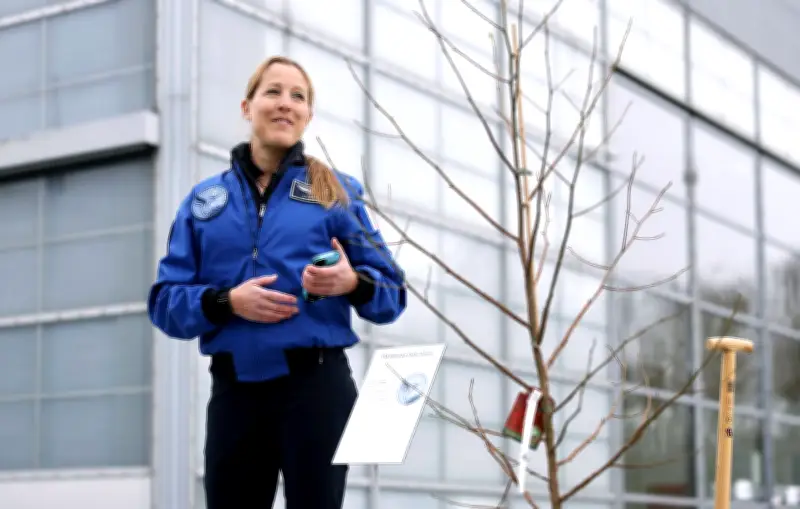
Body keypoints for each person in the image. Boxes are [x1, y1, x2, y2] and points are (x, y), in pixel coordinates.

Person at [147, 55, 407, 509]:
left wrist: (352, 283)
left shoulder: (336, 193)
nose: (285, 103)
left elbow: (392, 294)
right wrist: (226, 301)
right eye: (273, 92)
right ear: (247, 107)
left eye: (298, 96)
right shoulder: (204, 201)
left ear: (307, 115)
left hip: (317, 389)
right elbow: (165, 303)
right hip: (235, 393)